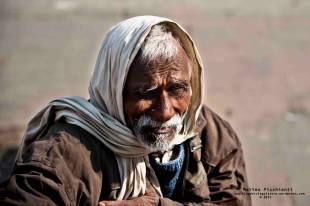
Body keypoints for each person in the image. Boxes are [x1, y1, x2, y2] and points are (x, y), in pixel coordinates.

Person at [0, 16, 251, 206]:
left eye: (177, 89)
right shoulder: (63, 155)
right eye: (145, 93)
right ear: (113, 89)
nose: (165, 111)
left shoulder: (211, 135)